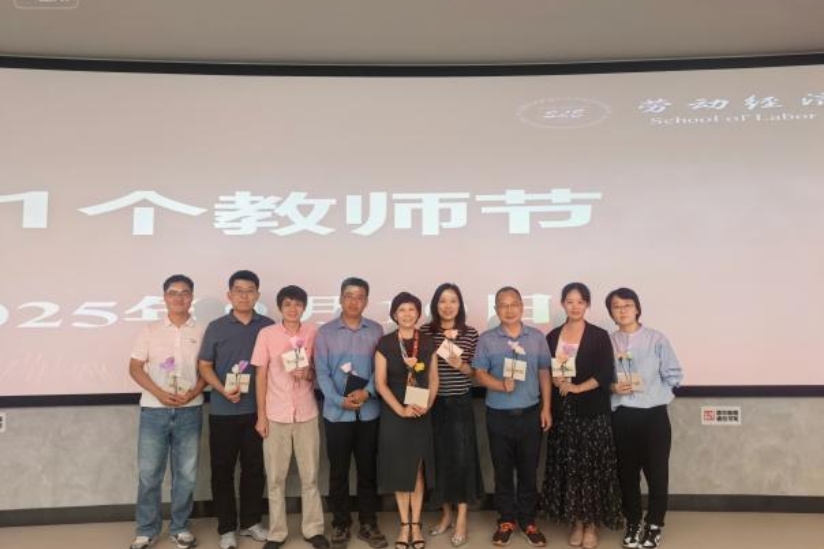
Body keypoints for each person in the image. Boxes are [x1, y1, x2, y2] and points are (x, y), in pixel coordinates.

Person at [128, 274, 207, 549]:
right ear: (164, 298)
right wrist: (159, 393)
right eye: (173, 292)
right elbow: (135, 367)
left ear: (191, 297)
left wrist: (193, 392)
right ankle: (146, 530)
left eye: (184, 293)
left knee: (186, 474)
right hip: (154, 410)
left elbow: (208, 370)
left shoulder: (203, 331)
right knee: (149, 474)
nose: (179, 297)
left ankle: (180, 528)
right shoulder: (150, 330)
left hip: (190, 410)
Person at [541, 282, 622, 549]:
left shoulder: (599, 335)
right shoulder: (553, 336)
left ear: (587, 304)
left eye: (580, 302)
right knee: (570, 469)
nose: (575, 307)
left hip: (592, 413)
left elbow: (605, 373)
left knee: (592, 470)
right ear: (562, 304)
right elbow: (547, 371)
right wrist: (557, 380)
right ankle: (576, 522)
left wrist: (577, 387)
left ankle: (592, 525)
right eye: (570, 301)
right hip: (564, 414)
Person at [198, 270, 275, 549]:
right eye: (238, 290)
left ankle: (251, 523)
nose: (244, 295)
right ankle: (227, 528)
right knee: (222, 471)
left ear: (257, 295)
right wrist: (221, 389)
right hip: (223, 411)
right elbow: (205, 365)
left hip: (258, 411)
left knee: (254, 469)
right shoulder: (216, 327)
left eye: (250, 290)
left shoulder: (268, 326)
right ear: (229, 295)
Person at [251, 285, 329, 549]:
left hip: (306, 413)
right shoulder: (267, 334)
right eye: (287, 304)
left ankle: (313, 529)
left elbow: (320, 371)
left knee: (310, 476)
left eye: (298, 304)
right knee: (275, 478)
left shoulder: (313, 333)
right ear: (280, 307)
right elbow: (260, 376)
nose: (293, 309)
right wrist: (261, 416)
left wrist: (306, 373)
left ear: (304, 307)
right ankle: (277, 533)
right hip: (276, 415)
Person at [473, 286, 552, 547]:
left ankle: (528, 520)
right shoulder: (487, 339)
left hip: (530, 414)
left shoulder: (536, 338)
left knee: (529, 470)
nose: (509, 310)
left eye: (514, 304)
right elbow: (479, 373)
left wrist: (546, 408)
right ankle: (506, 520)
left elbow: (544, 373)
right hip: (498, 415)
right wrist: (499, 385)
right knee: (503, 470)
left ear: (522, 307)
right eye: (503, 305)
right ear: (496, 310)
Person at [606, 288, 683, 549]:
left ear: (637, 308)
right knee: (626, 474)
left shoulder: (656, 338)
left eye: (627, 305)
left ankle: (654, 524)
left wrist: (657, 393)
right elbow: (602, 377)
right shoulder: (608, 342)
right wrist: (613, 387)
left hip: (653, 416)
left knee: (657, 473)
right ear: (611, 312)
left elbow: (674, 374)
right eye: (616, 306)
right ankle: (633, 522)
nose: (622, 310)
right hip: (622, 415)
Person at [315, 277, 388, 549]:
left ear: (366, 301)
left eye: (359, 296)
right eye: (349, 296)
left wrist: (367, 392)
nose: (354, 301)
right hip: (337, 415)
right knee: (338, 472)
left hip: (369, 414)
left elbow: (381, 370)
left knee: (368, 471)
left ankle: (369, 523)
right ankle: (341, 523)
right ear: (340, 299)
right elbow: (322, 372)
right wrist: (338, 400)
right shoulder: (325, 333)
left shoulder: (377, 331)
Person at [420, 283, 484, 548]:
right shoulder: (425, 332)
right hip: (431, 404)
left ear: (460, 305)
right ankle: (445, 514)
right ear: (435, 305)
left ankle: (462, 519)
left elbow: (476, 372)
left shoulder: (470, 333)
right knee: (438, 460)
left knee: (462, 460)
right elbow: (417, 367)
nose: (448, 306)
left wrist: (463, 366)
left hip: (459, 403)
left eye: (453, 301)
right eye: (442, 301)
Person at [375, 292, 439, 549]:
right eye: (401, 310)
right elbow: (380, 383)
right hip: (395, 413)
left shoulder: (427, 342)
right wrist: (401, 410)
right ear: (394, 314)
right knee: (400, 469)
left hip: (421, 412)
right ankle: (404, 525)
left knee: (417, 469)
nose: (407, 314)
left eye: (412, 309)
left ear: (418, 313)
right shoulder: (385, 343)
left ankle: (416, 524)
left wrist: (427, 405)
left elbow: (433, 379)